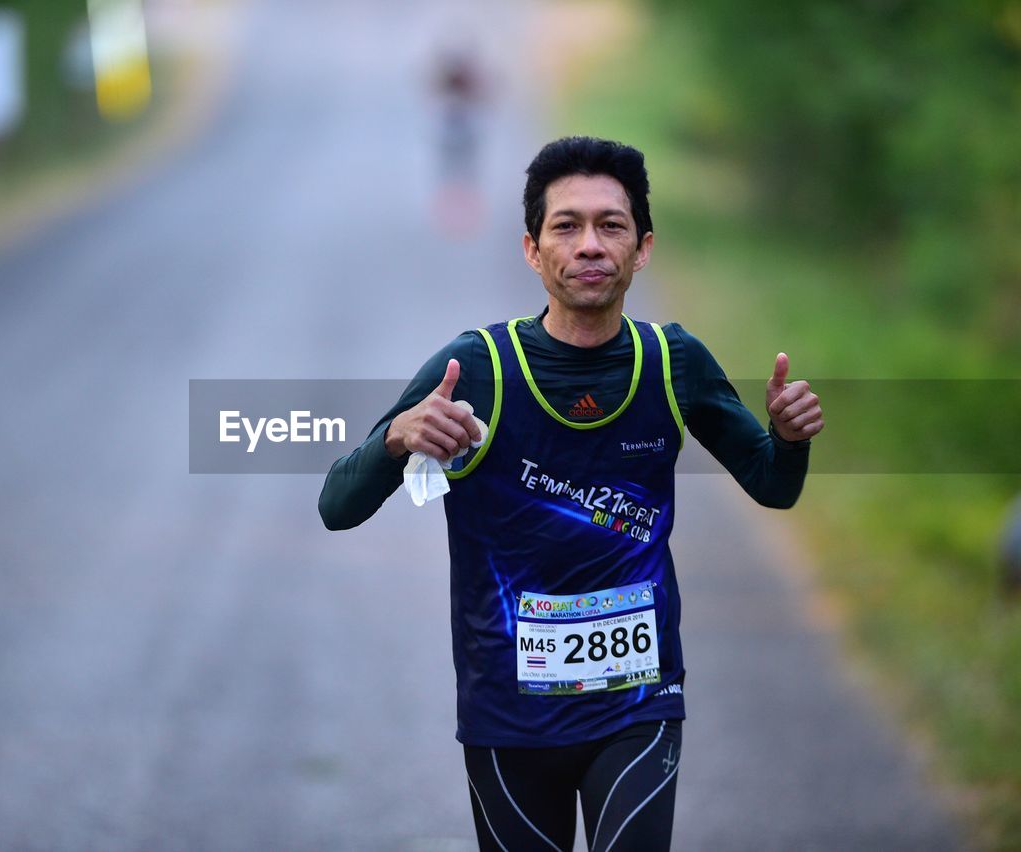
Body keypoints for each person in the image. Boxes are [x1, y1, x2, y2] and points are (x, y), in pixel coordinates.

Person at [318, 137, 824, 851]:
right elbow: (336, 507)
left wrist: (790, 439)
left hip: (638, 702)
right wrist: (398, 437)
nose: (590, 244)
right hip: (509, 715)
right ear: (532, 249)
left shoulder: (672, 362)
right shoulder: (477, 368)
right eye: (567, 225)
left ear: (642, 248)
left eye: (611, 225)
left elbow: (772, 486)